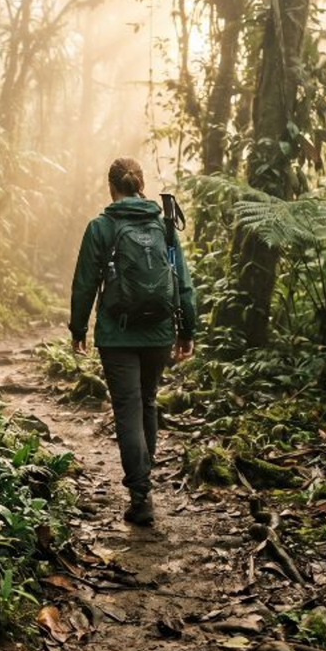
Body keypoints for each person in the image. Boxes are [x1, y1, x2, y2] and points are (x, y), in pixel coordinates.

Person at [68, 157, 196, 526]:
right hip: (158, 333)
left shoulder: (102, 227)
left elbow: (85, 283)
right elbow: (182, 282)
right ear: (140, 185)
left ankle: (140, 495)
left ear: (112, 187)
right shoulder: (164, 225)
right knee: (148, 402)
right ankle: (144, 481)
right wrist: (187, 330)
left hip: (116, 333)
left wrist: (79, 329)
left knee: (128, 407)